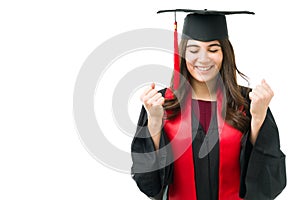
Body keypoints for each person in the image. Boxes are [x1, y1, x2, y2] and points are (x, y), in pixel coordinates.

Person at [131, 9, 286, 200]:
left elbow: (267, 183)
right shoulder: (163, 102)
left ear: (225, 54)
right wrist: (154, 122)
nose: (203, 59)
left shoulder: (248, 101)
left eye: (213, 50)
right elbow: (149, 182)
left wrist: (258, 119)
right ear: (182, 54)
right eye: (194, 50)